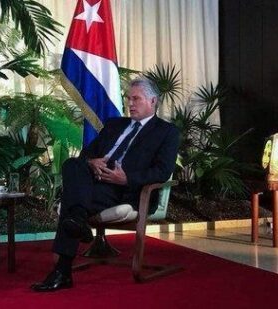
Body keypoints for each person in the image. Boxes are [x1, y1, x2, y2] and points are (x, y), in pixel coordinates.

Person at [31, 78, 180, 292]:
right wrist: (92, 162)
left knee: (73, 201)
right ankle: (79, 219)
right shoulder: (114, 124)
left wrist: (126, 178)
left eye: (135, 98)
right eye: (128, 98)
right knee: (73, 164)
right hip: (93, 180)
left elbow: (162, 171)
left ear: (153, 101)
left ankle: (62, 271)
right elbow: (86, 155)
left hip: (124, 189)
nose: (130, 103)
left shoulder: (166, 132)